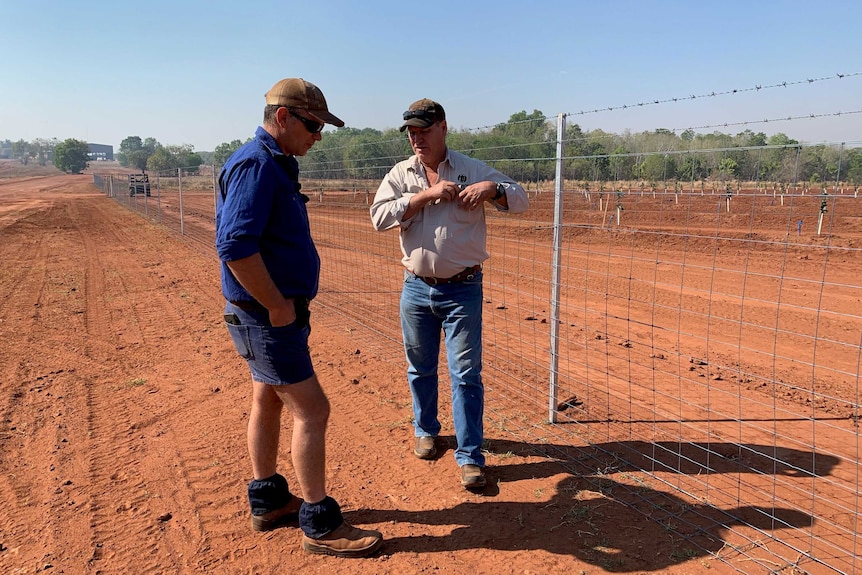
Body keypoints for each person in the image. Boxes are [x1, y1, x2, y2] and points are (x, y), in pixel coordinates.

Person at [216, 77, 383, 558]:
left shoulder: (273, 163)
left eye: (322, 126)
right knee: (312, 409)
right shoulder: (257, 165)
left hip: (263, 316)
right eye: (312, 124)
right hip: (266, 318)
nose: (318, 134)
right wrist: (276, 303)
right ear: (282, 117)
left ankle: (267, 500)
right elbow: (235, 246)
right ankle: (319, 522)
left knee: (267, 399)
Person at [370, 99, 529, 490]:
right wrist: (424, 197)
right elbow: (377, 217)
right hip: (416, 289)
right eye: (411, 131)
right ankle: (426, 431)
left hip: (462, 290)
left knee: (465, 374)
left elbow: (521, 199)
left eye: (424, 129)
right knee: (419, 368)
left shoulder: (472, 169)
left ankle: (470, 455)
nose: (416, 138)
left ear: (443, 127)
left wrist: (494, 189)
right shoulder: (401, 173)